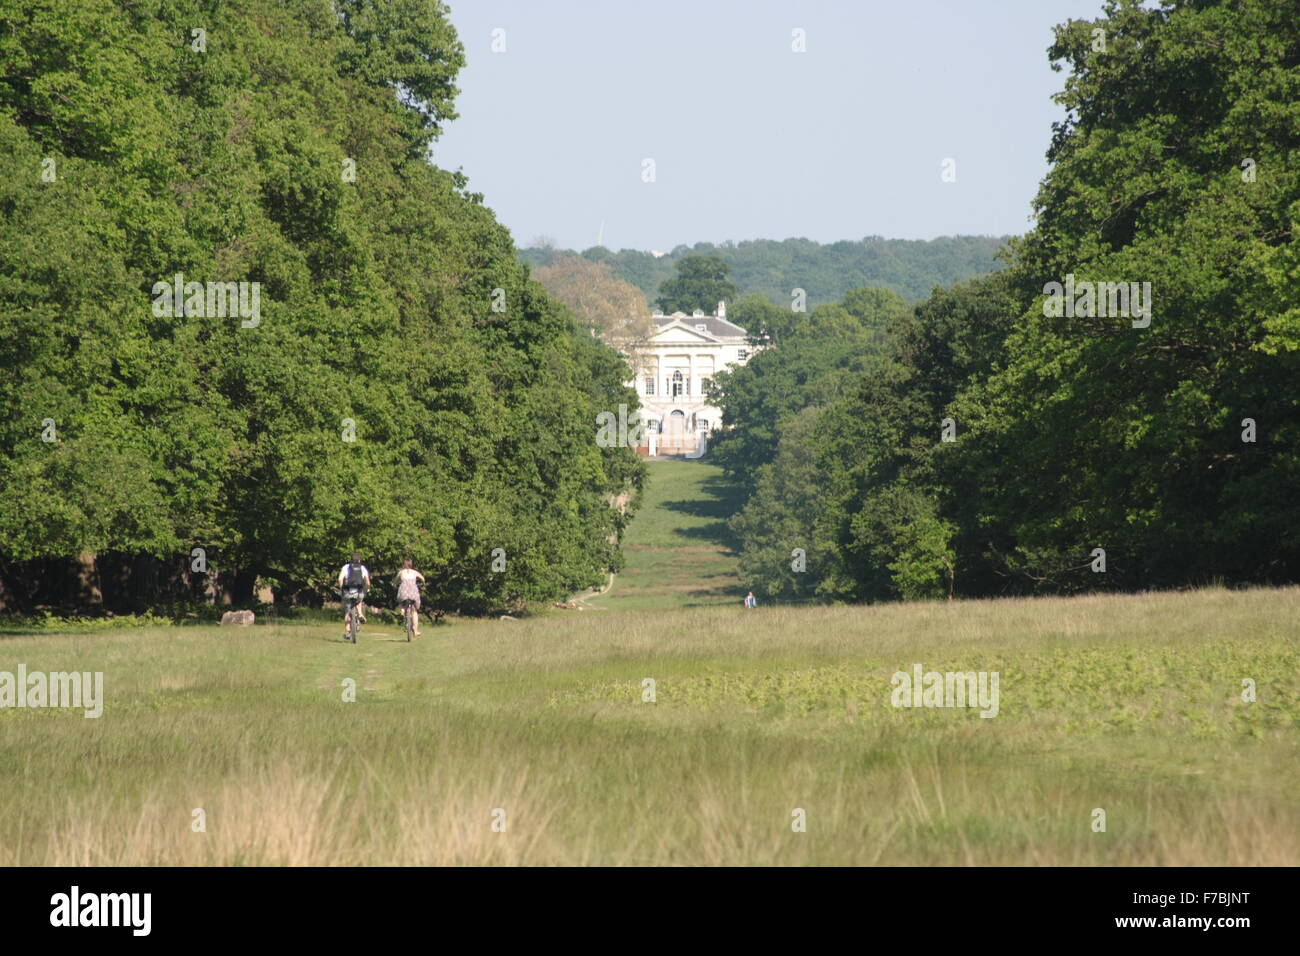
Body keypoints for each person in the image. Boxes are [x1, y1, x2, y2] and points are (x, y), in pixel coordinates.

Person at [337, 553, 371, 639]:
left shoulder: (346, 567)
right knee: (359, 600)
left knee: (347, 611)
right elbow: (367, 582)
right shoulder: (362, 568)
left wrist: (342, 589)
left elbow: (340, 579)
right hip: (358, 590)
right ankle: (359, 613)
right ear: (360, 560)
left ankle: (348, 632)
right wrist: (366, 589)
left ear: (351, 559)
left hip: (348, 591)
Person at [393, 559, 426, 637]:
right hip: (413, 592)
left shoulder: (401, 572)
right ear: (411, 565)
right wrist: (423, 584)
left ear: (404, 565)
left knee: (402, 602)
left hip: (404, 591)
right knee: (414, 610)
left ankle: (402, 611)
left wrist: (394, 584)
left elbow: (396, 581)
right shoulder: (414, 572)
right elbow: (422, 578)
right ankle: (415, 630)